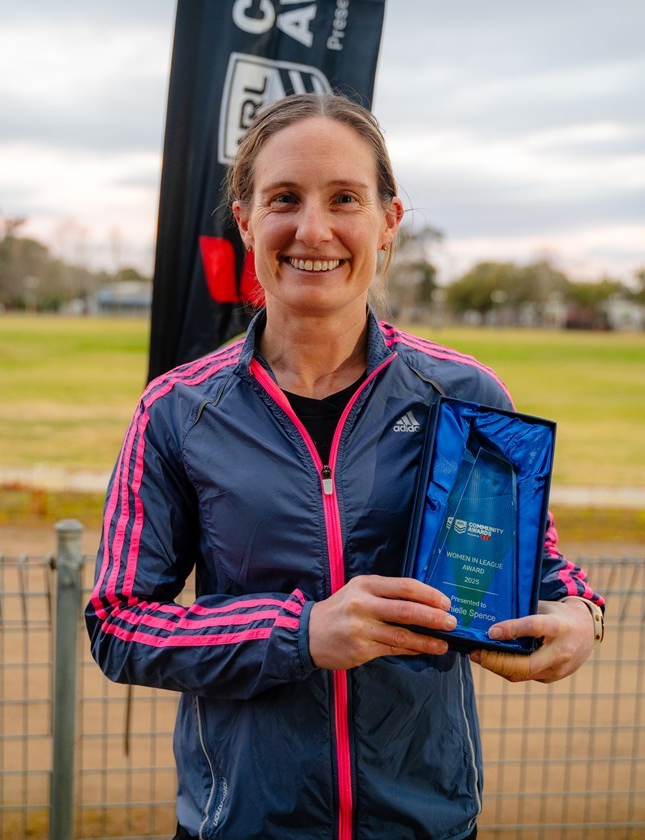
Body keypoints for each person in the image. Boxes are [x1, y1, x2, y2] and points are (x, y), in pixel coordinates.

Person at [86, 92, 604, 840]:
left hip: (425, 822)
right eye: (284, 199)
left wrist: (580, 616)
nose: (313, 229)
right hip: (243, 823)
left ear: (389, 221)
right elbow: (118, 623)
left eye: (344, 199)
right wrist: (299, 634)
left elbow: (543, 570)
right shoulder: (176, 411)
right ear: (246, 221)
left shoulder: (464, 394)